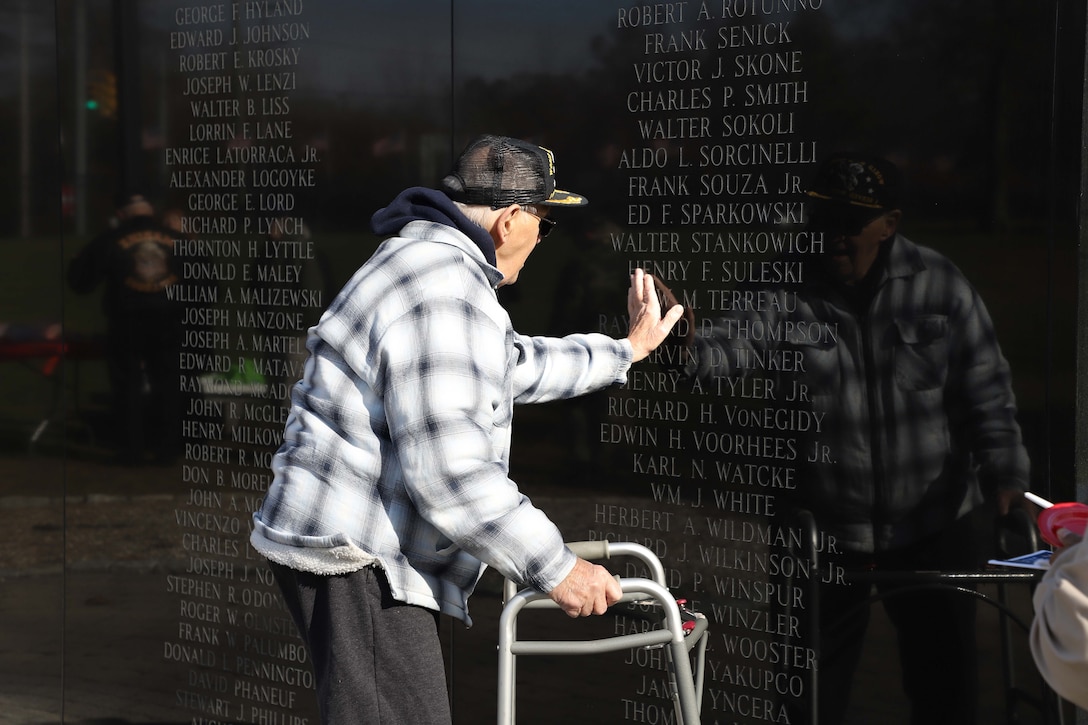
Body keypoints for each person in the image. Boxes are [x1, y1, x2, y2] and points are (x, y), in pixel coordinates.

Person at [250, 134, 684, 724]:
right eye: (545, 223)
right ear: (511, 220)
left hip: (350, 544)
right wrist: (557, 567)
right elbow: (450, 473)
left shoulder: (431, 265)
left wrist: (624, 352)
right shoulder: (443, 289)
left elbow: (507, 365)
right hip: (358, 554)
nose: (541, 240)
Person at [661, 153, 1031, 724]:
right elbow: (730, 345)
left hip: (934, 524)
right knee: (809, 699)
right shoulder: (781, 284)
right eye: (822, 219)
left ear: (890, 222)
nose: (833, 237)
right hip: (823, 531)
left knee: (947, 690)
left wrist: (1007, 478)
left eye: (850, 223)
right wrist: (680, 344)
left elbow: (987, 390)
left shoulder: (940, 286)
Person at [68, 193, 184, 465]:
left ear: (121, 214)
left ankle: (133, 449)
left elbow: (81, 283)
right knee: (167, 383)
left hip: (127, 322)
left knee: (127, 384)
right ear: (151, 210)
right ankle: (167, 448)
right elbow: (205, 282)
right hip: (169, 321)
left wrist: (76, 261)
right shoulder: (177, 239)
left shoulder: (109, 240)